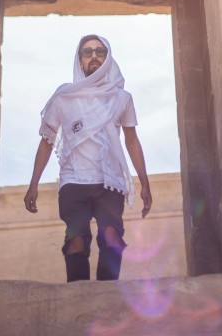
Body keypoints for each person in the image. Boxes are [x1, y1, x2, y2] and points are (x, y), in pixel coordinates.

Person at [24, 34, 152, 283]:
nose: (94, 56)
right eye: (87, 52)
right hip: (74, 181)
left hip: (110, 180)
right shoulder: (64, 96)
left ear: (108, 58)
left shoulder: (121, 98)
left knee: (112, 236)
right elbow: (47, 141)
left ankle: (107, 294)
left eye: (100, 51)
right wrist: (33, 185)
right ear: (79, 60)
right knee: (76, 240)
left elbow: (132, 140)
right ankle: (77, 295)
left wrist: (144, 182)